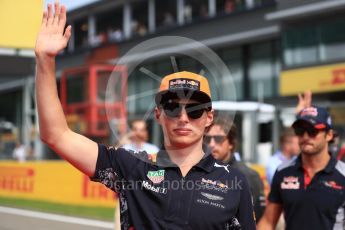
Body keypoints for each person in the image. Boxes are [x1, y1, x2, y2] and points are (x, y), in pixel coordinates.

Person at [35, 3, 255, 229]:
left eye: (194, 110)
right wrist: (45, 60)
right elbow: (56, 134)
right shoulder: (132, 167)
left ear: (209, 117)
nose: (183, 117)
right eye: (172, 107)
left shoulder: (234, 182)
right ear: (158, 114)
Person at [258, 106, 345, 230]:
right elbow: (268, 222)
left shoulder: (342, 174)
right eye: (300, 130)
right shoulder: (283, 171)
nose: (305, 136)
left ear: (329, 135)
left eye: (312, 131)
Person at [204, 117, 266, 221]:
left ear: (231, 143)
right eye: (207, 139)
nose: (212, 144)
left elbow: (258, 220)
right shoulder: (199, 172)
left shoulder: (247, 176)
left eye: (219, 139)